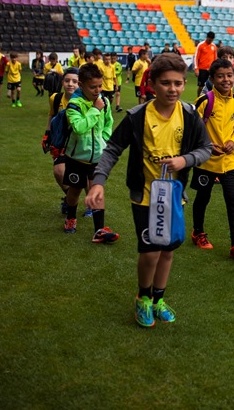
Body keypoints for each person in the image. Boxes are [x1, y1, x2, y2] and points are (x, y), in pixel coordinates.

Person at [86, 54, 210, 327]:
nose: (172, 89)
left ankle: (158, 299)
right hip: (144, 196)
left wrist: (184, 160)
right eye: (165, 83)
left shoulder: (189, 115)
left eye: (178, 83)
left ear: (185, 83)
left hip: (175, 196)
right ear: (152, 84)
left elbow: (205, 148)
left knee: (167, 250)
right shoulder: (137, 116)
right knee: (151, 250)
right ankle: (143, 297)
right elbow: (113, 148)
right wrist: (98, 181)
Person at [189, 58, 234, 258]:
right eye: (221, 76)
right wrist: (206, 146)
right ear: (212, 79)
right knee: (203, 197)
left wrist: (233, 141)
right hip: (206, 162)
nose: (226, 80)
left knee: (233, 200)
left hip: (229, 161)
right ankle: (198, 232)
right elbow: (191, 129)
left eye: (229, 75)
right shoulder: (204, 101)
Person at [62, 63, 117, 244]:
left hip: (97, 158)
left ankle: (99, 230)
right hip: (77, 158)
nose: (97, 90)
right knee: (75, 190)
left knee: (96, 190)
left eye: (100, 86)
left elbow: (108, 124)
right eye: (93, 87)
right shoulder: (74, 104)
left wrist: (104, 142)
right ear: (81, 85)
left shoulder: (105, 102)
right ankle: (71, 217)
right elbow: (78, 128)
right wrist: (95, 110)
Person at [43, 67, 79, 216]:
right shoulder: (55, 98)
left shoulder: (85, 100)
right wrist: (47, 135)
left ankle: (90, 205)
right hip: (62, 141)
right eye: (67, 80)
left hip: (80, 142)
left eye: (75, 81)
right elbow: (52, 116)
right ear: (62, 82)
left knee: (84, 177)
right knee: (59, 172)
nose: (70, 84)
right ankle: (70, 197)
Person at [195, 32, 217, 96]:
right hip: (202, 69)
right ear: (207, 37)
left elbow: (215, 59)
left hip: (210, 70)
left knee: (211, 86)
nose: (210, 41)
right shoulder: (201, 45)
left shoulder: (214, 46)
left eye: (212, 40)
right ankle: (199, 98)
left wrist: (215, 69)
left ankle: (209, 99)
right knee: (201, 87)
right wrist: (196, 69)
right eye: (209, 39)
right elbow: (196, 57)